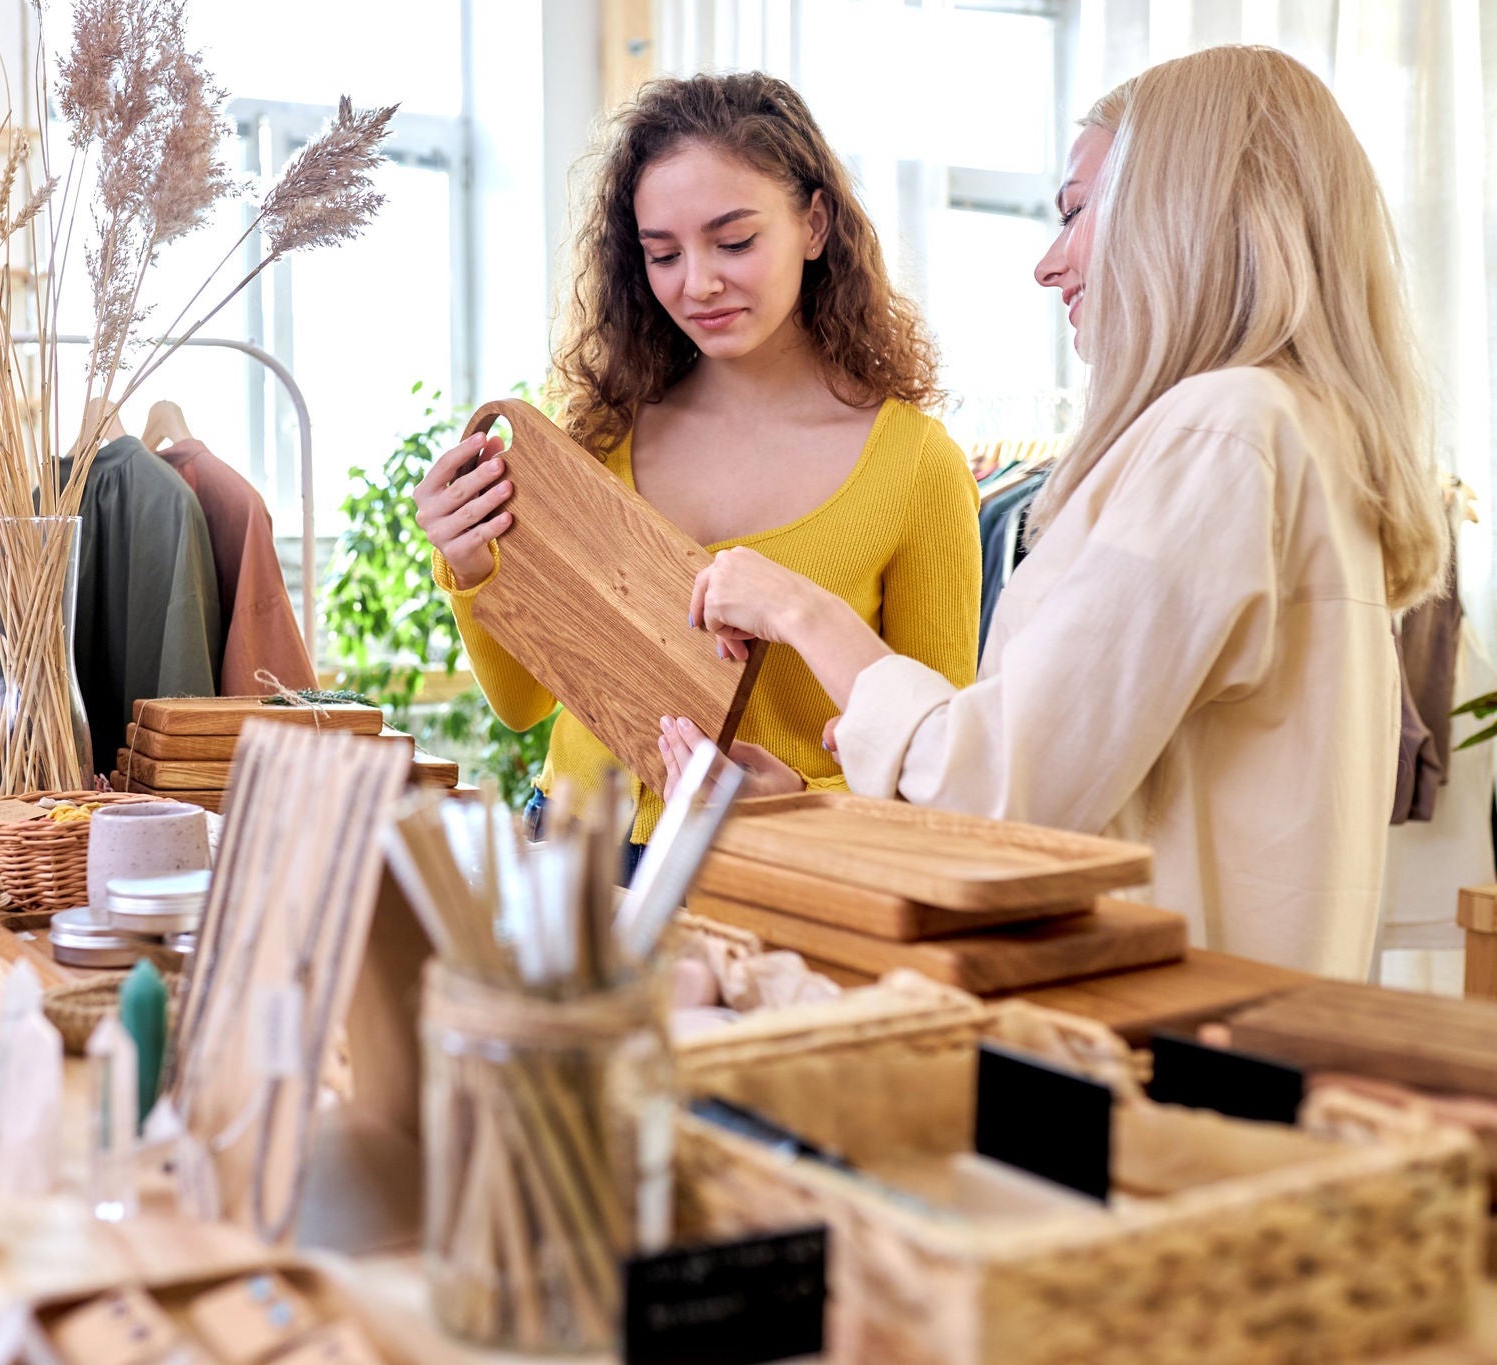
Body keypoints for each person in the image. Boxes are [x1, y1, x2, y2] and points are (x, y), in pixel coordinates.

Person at [673, 46, 1449, 978]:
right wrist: (811, 806)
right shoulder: (1291, 431)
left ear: (1181, 207)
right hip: (1229, 1022)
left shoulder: (1223, 431)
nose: (1049, 267)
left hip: (1159, 1042)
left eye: (1075, 212)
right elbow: (1100, 790)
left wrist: (807, 615)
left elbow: (1008, 796)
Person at [415, 72, 981, 873]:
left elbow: (942, 758)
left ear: (814, 224)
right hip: (572, 855)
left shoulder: (917, 465)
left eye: (735, 241)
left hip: (775, 870)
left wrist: (804, 799)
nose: (697, 283)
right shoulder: (597, 432)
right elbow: (521, 705)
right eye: (663, 253)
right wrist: (469, 565)